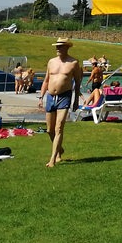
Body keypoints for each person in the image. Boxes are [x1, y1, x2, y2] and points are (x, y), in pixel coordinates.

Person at [39, 37, 83, 168]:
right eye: (57, 46)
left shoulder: (74, 62)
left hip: (65, 96)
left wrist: (75, 100)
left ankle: (53, 158)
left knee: (59, 127)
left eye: (60, 46)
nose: (57, 48)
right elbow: (46, 80)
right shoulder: (51, 62)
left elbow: (77, 82)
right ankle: (59, 149)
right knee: (49, 130)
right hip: (51, 96)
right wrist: (41, 97)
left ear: (67, 47)